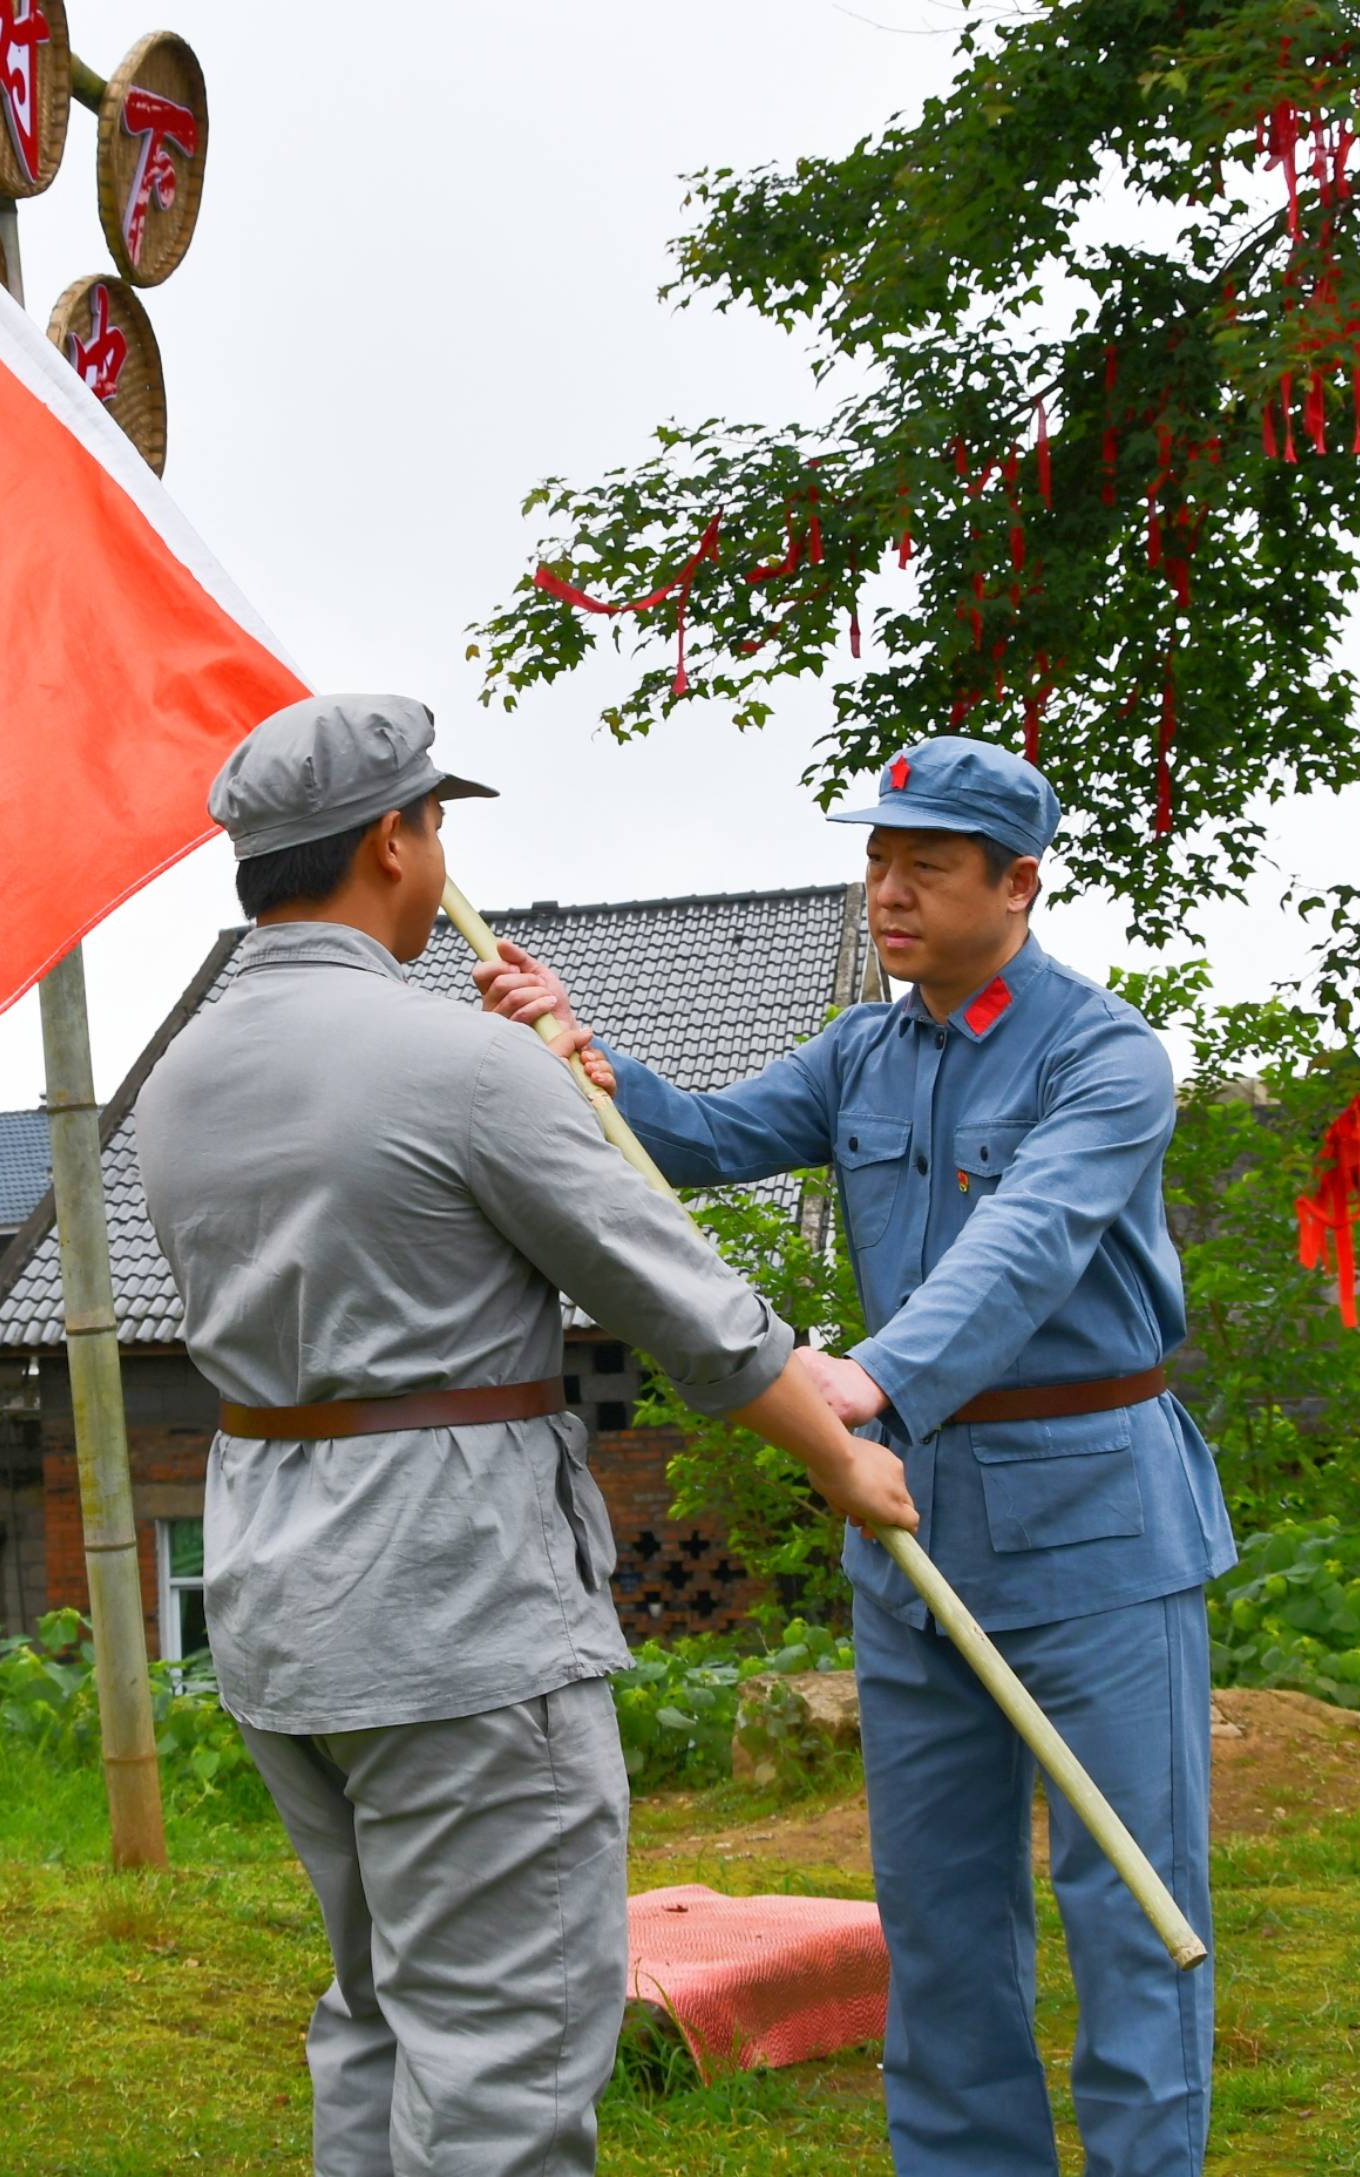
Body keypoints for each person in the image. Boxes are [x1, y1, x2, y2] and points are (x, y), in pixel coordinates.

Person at [135, 693, 917, 2177]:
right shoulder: (462, 1066)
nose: (440, 864)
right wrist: (835, 1457)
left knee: (375, 2007)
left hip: (276, 1600)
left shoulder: (179, 1081)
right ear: (390, 840)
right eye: (432, 826)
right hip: (453, 1602)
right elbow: (685, 1304)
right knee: (503, 2045)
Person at [476, 738, 1236, 2176]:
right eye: (877, 859)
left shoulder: (1105, 1056)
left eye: (925, 866)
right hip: (909, 1522)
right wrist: (577, 1055)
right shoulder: (864, 1051)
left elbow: (1027, 1249)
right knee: (939, 1912)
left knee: (1131, 1903)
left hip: (1093, 1516)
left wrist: (867, 1377)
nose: (887, 890)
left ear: (1017, 884)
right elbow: (696, 1141)